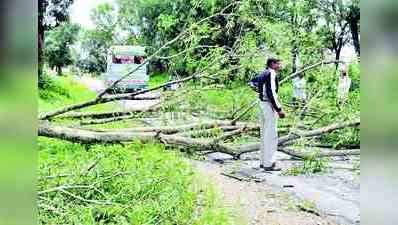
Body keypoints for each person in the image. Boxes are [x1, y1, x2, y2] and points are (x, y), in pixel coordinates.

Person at [257, 58, 286, 171]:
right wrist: (278, 109)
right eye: (278, 63)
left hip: (261, 103)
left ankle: (263, 162)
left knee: (264, 133)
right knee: (271, 135)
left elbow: (254, 84)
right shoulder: (271, 73)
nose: (280, 65)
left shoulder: (263, 73)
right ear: (272, 64)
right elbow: (271, 92)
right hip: (268, 105)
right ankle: (269, 164)